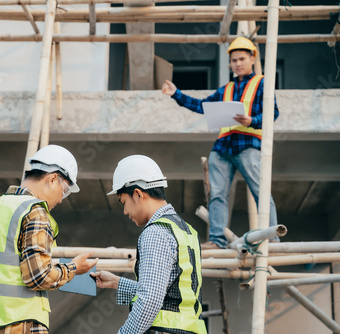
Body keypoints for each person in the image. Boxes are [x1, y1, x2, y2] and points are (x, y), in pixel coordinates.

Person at [0, 144, 98, 334]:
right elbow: (38, 276)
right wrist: (74, 269)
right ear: (52, 179)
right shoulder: (35, 211)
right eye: (65, 190)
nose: (61, 199)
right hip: (19, 323)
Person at [161, 36, 280, 250]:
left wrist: (252, 120)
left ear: (252, 59)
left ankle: (272, 236)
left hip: (248, 144)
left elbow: (273, 113)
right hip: (223, 146)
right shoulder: (226, 89)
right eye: (234, 60)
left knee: (260, 191)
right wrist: (176, 94)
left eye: (242, 59)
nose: (238, 63)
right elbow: (203, 106)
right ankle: (217, 240)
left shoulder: (262, 83)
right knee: (217, 194)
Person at [91, 155, 206, 334]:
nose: (125, 211)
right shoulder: (187, 231)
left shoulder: (156, 232)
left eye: (124, 202)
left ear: (137, 194)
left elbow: (150, 300)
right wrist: (116, 282)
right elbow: (171, 292)